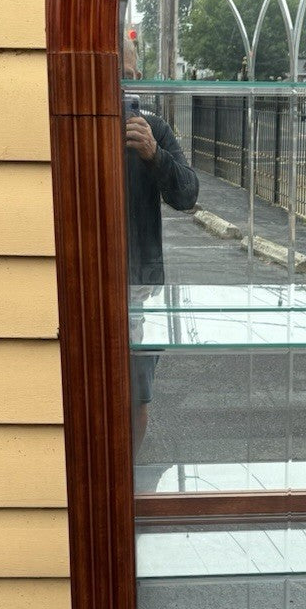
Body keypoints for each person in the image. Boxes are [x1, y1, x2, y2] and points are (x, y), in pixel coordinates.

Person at [122, 39, 199, 444]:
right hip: (82, 284)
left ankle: (131, 477)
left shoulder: (153, 128)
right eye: (120, 78)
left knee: (137, 393)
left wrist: (154, 155)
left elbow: (187, 196)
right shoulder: (77, 125)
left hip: (138, 287)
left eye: (134, 78)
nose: (128, 88)